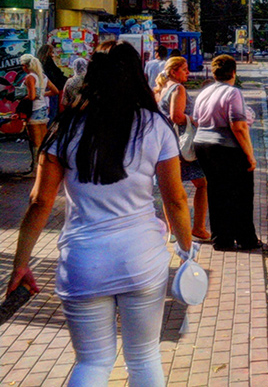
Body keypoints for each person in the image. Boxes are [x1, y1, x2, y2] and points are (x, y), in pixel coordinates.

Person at [7, 42, 193, 387]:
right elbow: (176, 199)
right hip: (141, 260)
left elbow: (39, 202)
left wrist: (21, 262)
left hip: (83, 263)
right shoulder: (154, 126)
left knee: (93, 362)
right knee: (144, 357)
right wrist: (186, 249)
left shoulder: (64, 129)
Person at [192, 54, 261, 252]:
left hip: (203, 145)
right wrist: (250, 155)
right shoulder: (233, 93)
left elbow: (197, 120)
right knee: (241, 193)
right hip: (226, 148)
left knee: (217, 192)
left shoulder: (205, 92)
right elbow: (238, 126)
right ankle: (246, 238)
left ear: (214, 72)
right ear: (233, 72)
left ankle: (222, 240)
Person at [156, 57, 211, 242]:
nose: (188, 72)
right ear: (173, 71)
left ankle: (172, 231)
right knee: (203, 183)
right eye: (184, 69)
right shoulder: (178, 89)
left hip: (164, 143)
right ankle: (199, 228)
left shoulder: (161, 89)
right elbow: (176, 116)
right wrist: (194, 120)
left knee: (168, 188)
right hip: (180, 146)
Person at [20, 54, 59, 167]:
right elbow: (55, 91)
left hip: (34, 109)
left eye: (22, 65)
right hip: (43, 109)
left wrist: (22, 96)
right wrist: (42, 94)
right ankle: (47, 163)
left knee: (36, 141)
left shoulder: (30, 77)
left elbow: (31, 96)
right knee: (44, 139)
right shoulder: (42, 76)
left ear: (27, 66)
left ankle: (37, 168)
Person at [37, 42, 67, 121]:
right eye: (52, 52)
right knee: (52, 111)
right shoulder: (49, 62)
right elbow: (55, 76)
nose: (53, 54)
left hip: (43, 89)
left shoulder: (39, 63)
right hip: (52, 89)